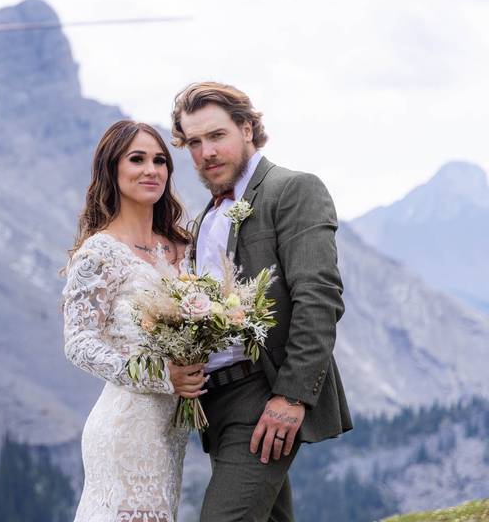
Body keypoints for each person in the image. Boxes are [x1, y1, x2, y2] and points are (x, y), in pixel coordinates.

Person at [171, 82, 352, 522]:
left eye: (216, 136)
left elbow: (319, 296)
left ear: (247, 128)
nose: (205, 152)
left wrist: (291, 396)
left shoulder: (292, 190)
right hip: (215, 403)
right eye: (194, 142)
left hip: (263, 392)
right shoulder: (204, 219)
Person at [62, 120, 206, 522]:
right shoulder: (99, 253)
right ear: (112, 169)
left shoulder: (184, 248)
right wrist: (163, 376)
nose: (151, 170)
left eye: (160, 161)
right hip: (126, 427)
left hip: (172, 430)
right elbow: (79, 343)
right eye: (137, 159)